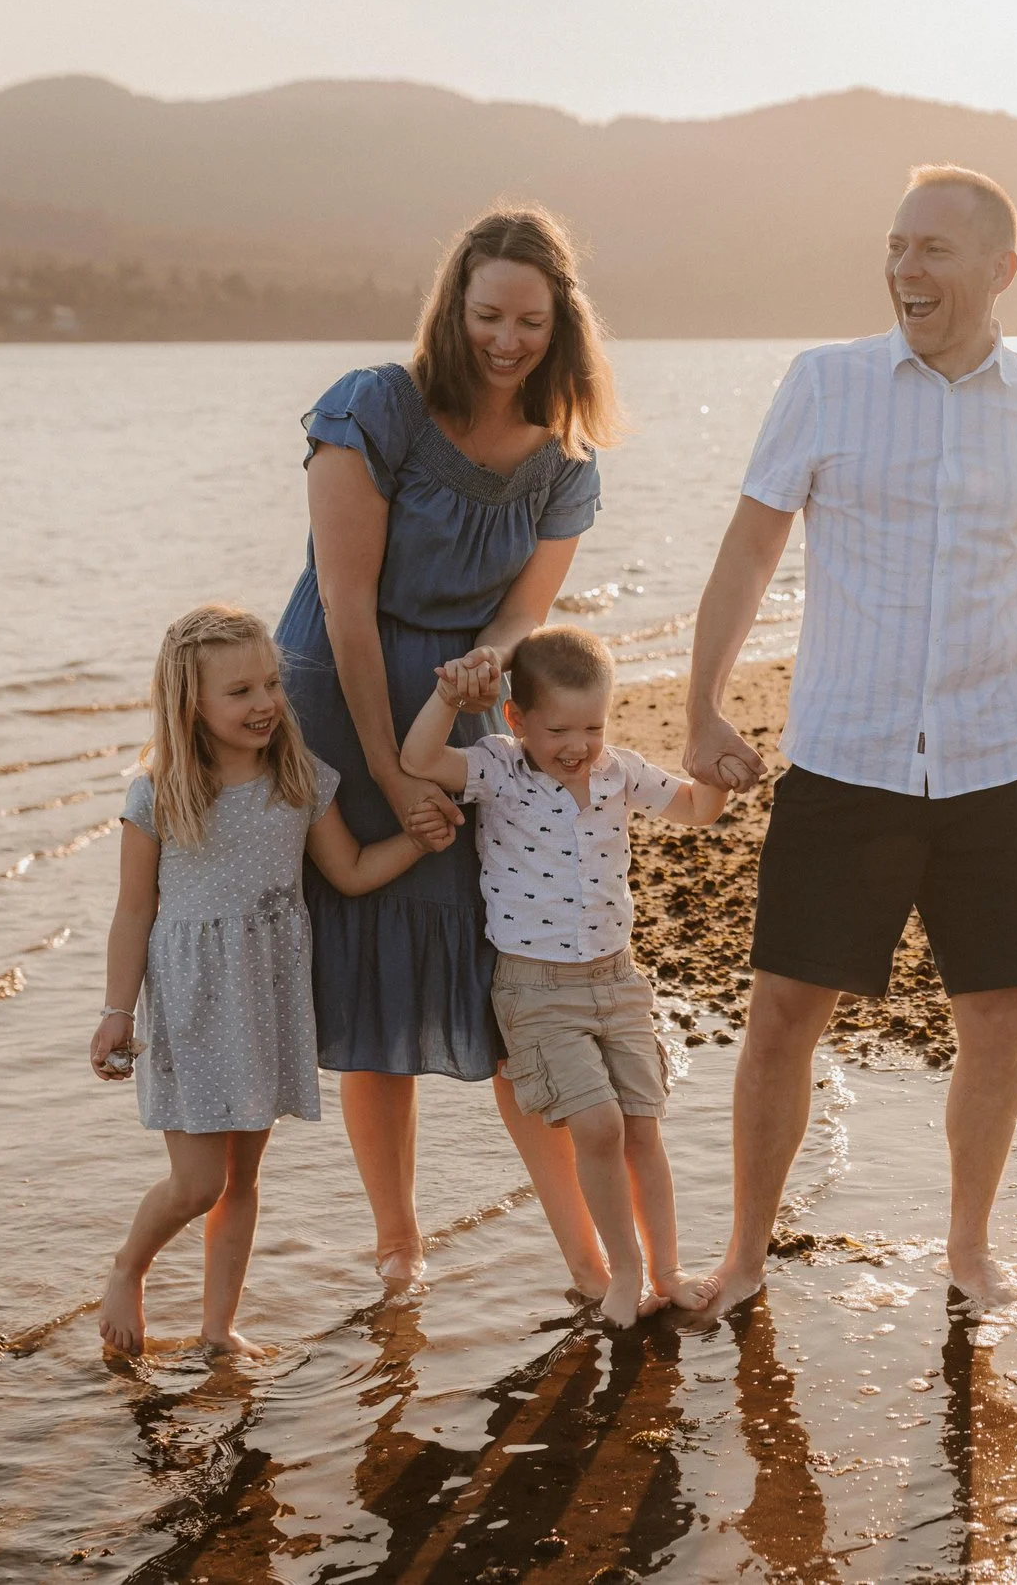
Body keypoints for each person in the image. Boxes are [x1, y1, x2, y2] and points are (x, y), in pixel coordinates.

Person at [684, 165, 1017, 1314]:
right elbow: (749, 550)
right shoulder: (824, 384)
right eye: (897, 247)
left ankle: (965, 1249)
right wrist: (702, 705)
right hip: (843, 759)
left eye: (933, 250)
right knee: (782, 1018)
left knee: (996, 1019)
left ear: (999, 270)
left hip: (997, 760)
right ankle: (744, 1255)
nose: (907, 269)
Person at [273, 207, 621, 1293]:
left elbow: (525, 617)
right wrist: (387, 771)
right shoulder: (377, 408)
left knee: (505, 974)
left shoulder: (564, 465)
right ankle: (397, 1243)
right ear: (452, 309)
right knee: (377, 985)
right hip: (343, 701)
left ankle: (586, 1255)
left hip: (463, 710)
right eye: (485, 316)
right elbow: (344, 603)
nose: (505, 340)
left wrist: (487, 666)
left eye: (527, 319)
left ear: (559, 323)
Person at [91, 605, 450, 1358]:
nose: (263, 704)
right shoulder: (156, 796)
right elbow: (131, 914)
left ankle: (218, 1329)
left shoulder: (298, 778)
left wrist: (416, 845)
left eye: (271, 685)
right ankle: (128, 1269)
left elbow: (349, 873)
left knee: (240, 1182)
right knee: (196, 1184)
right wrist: (116, 1011)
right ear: (190, 703)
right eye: (239, 692)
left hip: (266, 1001)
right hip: (192, 1005)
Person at [400, 627, 731, 1324]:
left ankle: (668, 1267)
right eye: (559, 730)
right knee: (598, 1125)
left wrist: (720, 770)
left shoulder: (620, 772)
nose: (579, 747)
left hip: (618, 981)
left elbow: (698, 809)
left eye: (594, 726)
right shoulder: (499, 768)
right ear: (517, 720)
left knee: (642, 1125)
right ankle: (624, 1270)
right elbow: (418, 757)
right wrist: (446, 694)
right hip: (537, 988)